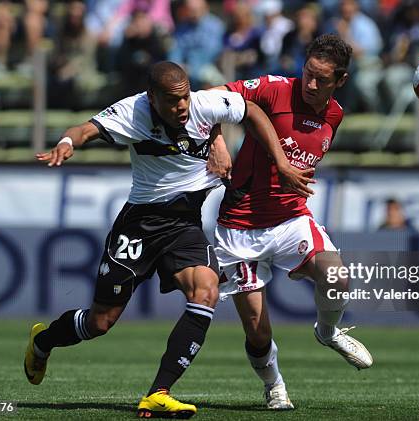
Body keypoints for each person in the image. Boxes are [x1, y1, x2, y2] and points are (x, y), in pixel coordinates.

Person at [24, 61, 311, 419]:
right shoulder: (132, 112)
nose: (182, 108)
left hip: (184, 226)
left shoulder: (204, 104)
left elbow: (250, 109)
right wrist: (67, 143)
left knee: (206, 291)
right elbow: (84, 129)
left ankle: (159, 392)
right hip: (140, 226)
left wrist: (280, 162)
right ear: (152, 97)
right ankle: (43, 341)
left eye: (185, 98)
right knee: (100, 323)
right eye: (173, 101)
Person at [211, 34, 373, 410]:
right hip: (239, 227)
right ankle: (274, 385)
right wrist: (218, 142)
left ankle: (328, 332)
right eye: (308, 73)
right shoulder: (272, 89)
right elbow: (206, 100)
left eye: (321, 79)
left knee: (336, 276)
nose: (311, 84)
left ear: (341, 81)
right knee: (257, 329)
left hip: (290, 219)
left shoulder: (335, 115)